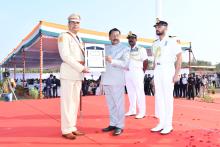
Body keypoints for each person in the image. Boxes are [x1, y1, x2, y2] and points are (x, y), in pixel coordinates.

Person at [58, 13, 89, 140]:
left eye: (77, 22)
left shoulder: (79, 39)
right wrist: (82, 68)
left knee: (75, 102)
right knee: (67, 102)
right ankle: (66, 129)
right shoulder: (63, 36)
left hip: (77, 74)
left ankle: (72, 127)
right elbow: (65, 56)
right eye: (73, 22)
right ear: (68, 24)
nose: (75, 24)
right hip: (69, 72)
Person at [151, 20, 182, 135]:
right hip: (158, 70)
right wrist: (154, 75)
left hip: (168, 69)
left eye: (159, 26)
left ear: (166, 28)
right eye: (156, 27)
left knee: (168, 98)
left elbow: (179, 57)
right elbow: (155, 59)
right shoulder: (154, 44)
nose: (157, 28)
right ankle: (161, 123)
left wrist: (177, 74)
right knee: (159, 97)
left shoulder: (172, 41)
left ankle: (168, 125)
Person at [101, 28, 130, 136]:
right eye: (113, 35)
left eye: (117, 35)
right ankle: (113, 123)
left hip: (117, 80)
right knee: (111, 104)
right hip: (106, 79)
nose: (115, 37)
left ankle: (120, 125)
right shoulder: (105, 48)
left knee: (119, 104)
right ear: (109, 37)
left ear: (120, 36)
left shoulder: (125, 49)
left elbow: (126, 64)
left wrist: (112, 60)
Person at [125, 32, 148, 119]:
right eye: (129, 38)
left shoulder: (141, 49)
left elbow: (145, 61)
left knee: (139, 92)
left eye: (132, 38)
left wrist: (142, 72)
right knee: (130, 92)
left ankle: (142, 112)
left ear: (136, 39)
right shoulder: (127, 49)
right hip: (128, 72)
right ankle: (132, 110)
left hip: (137, 72)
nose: (130, 40)